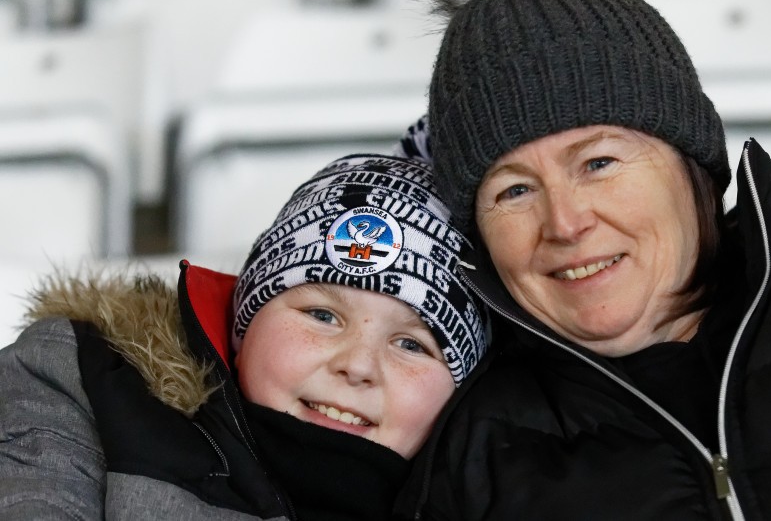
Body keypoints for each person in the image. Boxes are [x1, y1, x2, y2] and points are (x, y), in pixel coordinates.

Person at [392, 0, 771, 519]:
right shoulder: (469, 459)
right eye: (513, 190)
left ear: (693, 167)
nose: (564, 223)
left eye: (598, 163)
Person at [0, 153, 487, 520]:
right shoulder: (82, 380)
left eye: (411, 344)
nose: (357, 366)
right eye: (322, 315)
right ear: (243, 322)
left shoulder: (503, 488)